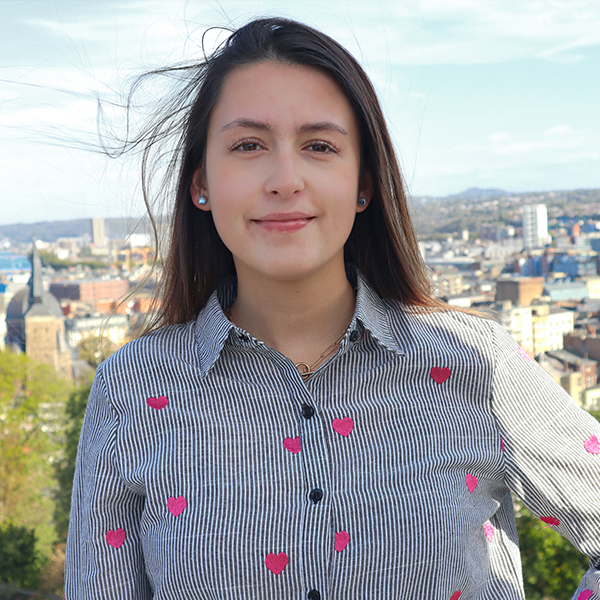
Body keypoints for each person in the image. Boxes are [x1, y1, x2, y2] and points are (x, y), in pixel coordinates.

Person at [64, 17, 600, 600]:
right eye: (248, 145)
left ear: (363, 184)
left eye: (319, 146)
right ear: (201, 185)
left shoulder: (474, 362)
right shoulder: (132, 390)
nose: (285, 179)